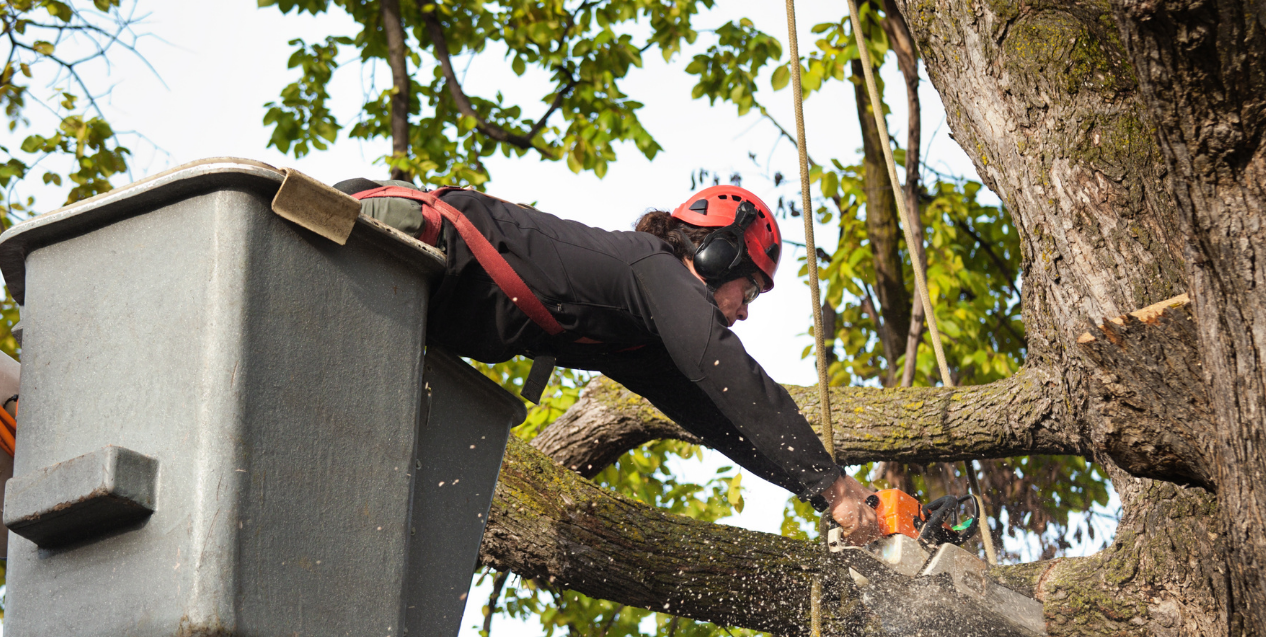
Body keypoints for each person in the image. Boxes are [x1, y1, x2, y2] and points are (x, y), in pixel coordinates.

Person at [334, 177, 881, 545]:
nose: (743, 313)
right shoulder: (655, 267)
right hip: (395, 237)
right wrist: (835, 484)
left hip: (408, 296)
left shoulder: (641, 335)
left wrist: (818, 492)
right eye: (750, 291)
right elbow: (727, 368)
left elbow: (724, 419)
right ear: (719, 254)